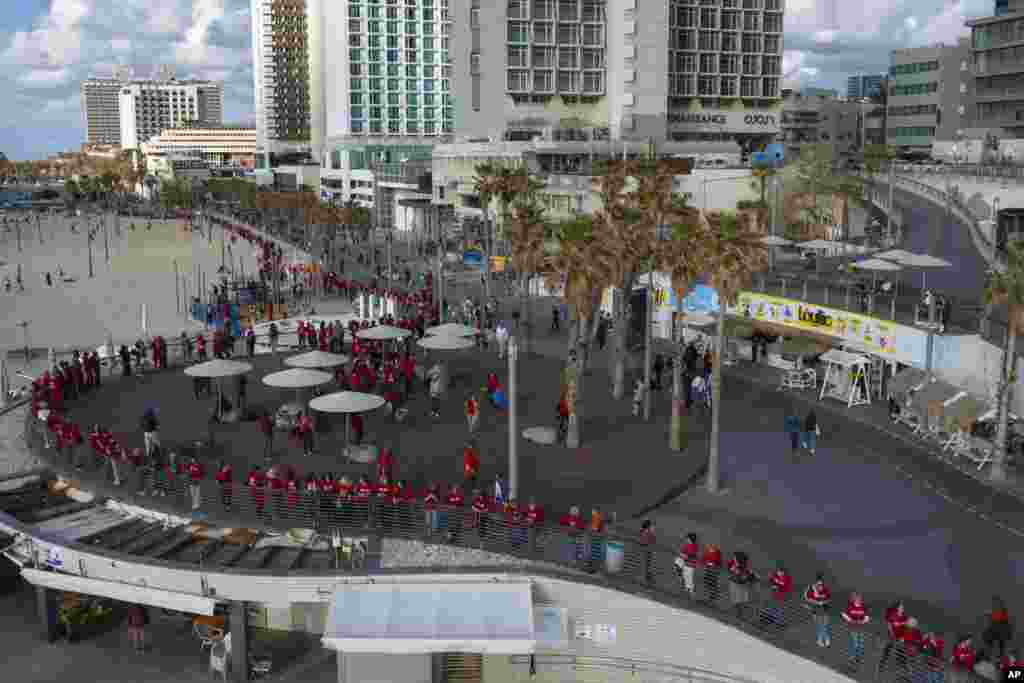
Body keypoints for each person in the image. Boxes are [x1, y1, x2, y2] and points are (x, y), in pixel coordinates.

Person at [841, 592, 871, 669]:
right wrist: (850, 620)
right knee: (854, 643)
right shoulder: (850, 606)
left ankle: (858, 657)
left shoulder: (864, 607)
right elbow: (843, 614)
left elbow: (867, 617)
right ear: (854, 599)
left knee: (861, 644)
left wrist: (863, 621)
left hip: (861, 628)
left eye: (860, 599)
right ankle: (852, 657)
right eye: (857, 598)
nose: (859, 600)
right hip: (853, 628)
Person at [804, 573, 833, 648]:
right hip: (815, 610)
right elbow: (807, 597)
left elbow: (829, 598)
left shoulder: (825, 588)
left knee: (825, 625)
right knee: (820, 626)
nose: (820, 584)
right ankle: (820, 640)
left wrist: (824, 602)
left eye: (821, 583)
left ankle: (826, 640)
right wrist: (816, 602)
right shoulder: (811, 588)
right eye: (818, 583)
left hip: (825, 609)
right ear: (816, 582)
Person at [983, 596, 1013, 660]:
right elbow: (995, 618)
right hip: (997, 627)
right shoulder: (998, 609)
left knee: (1000, 643)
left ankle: (999, 655)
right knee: (994, 642)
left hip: (1000, 628)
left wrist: (990, 614)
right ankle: (992, 655)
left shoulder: (1002, 610)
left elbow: (999, 618)